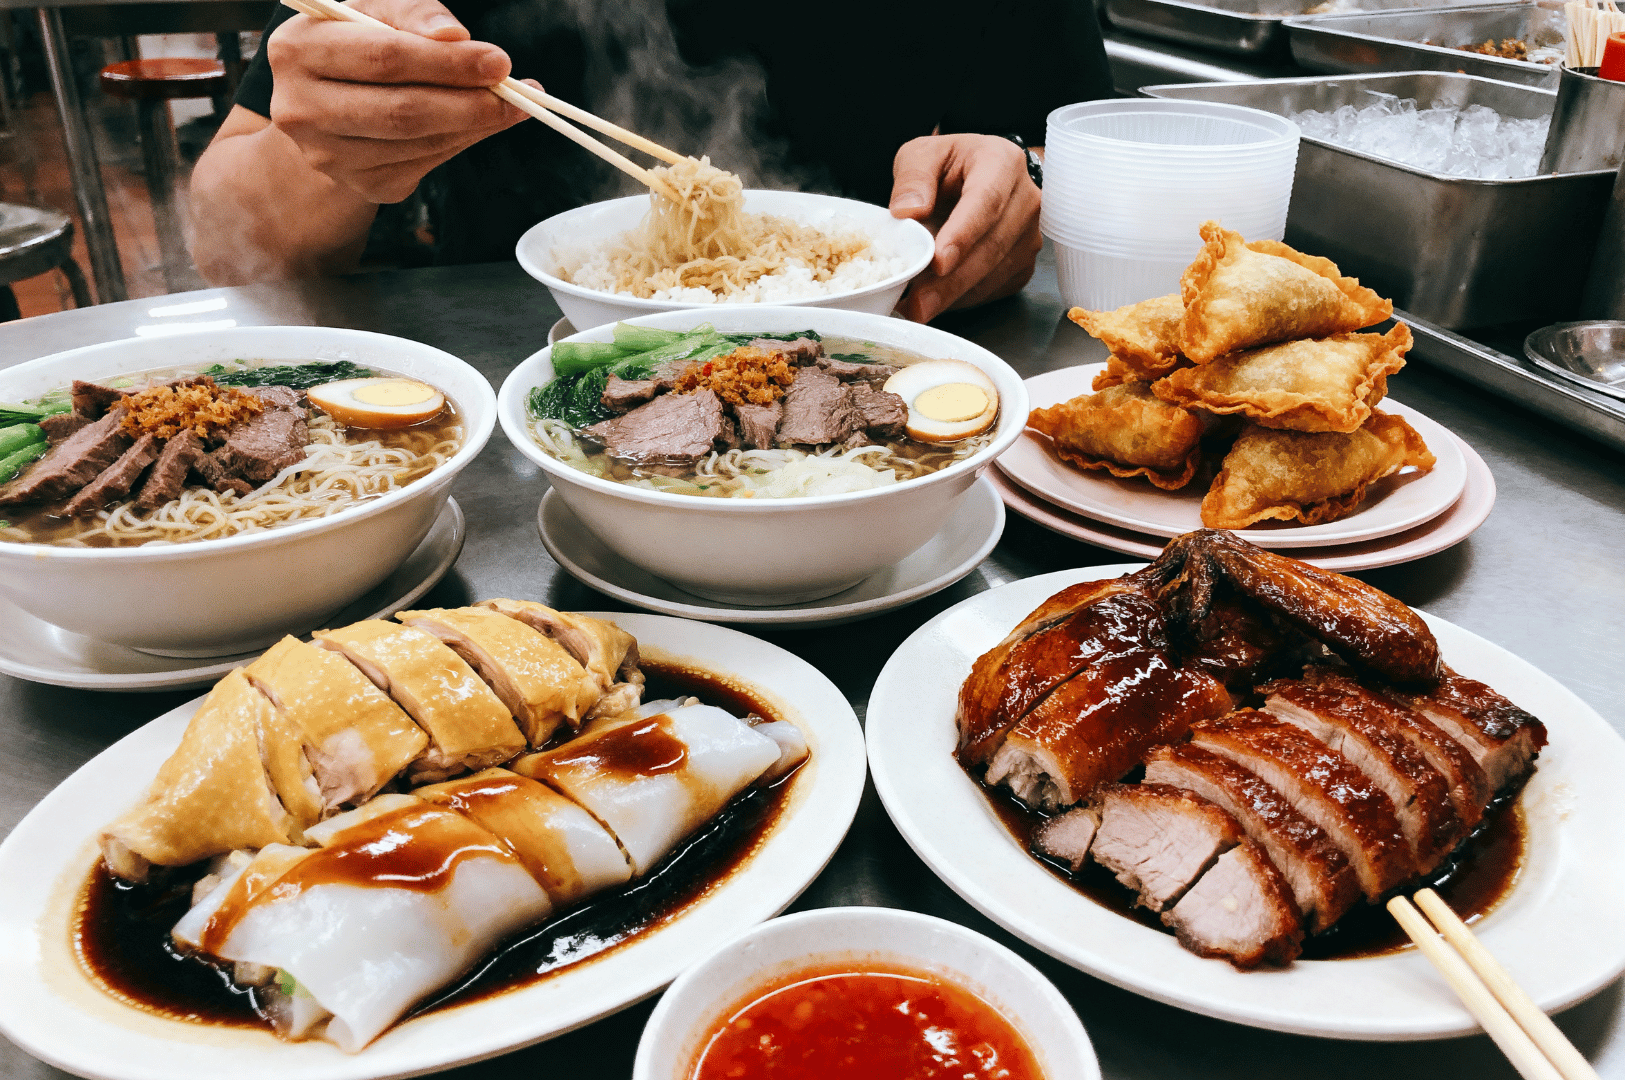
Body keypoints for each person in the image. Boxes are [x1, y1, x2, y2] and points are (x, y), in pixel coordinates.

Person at [190, 0, 1112, 322]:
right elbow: (232, 252)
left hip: (908, 381)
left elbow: (1059, 149)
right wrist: (329, 157)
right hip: (518, 410)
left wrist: (1013, 191)